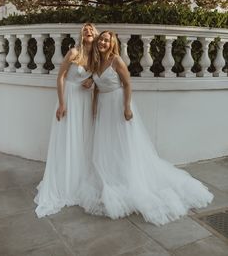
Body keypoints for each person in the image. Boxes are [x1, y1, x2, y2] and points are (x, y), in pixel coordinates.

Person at [79, 30, 213, 226]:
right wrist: (94, 109)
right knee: (107, 145)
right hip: (104, 109)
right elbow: (98, 89)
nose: (102, 43)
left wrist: (126, 107)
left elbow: (127, 84)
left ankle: (130, 178)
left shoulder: (116, 61)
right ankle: (112, 176)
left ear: (112, 43)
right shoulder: (96, 62)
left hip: (118, 106)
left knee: (124, 144)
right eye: (101, 40)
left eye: (106, 40)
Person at [34, 23, 98, 218]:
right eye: (85, 30)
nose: (88, 32)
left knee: (82, 139)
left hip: (85, 101)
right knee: (66, 140)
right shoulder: (73, 52)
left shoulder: (97, 58)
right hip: (69, 98)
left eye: (91, 30)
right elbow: (60, 77)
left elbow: (101, 76)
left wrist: (92, 80)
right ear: (81, 35)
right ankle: (65, 181)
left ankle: (79, 180)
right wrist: (62, 104)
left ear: (95, 35)